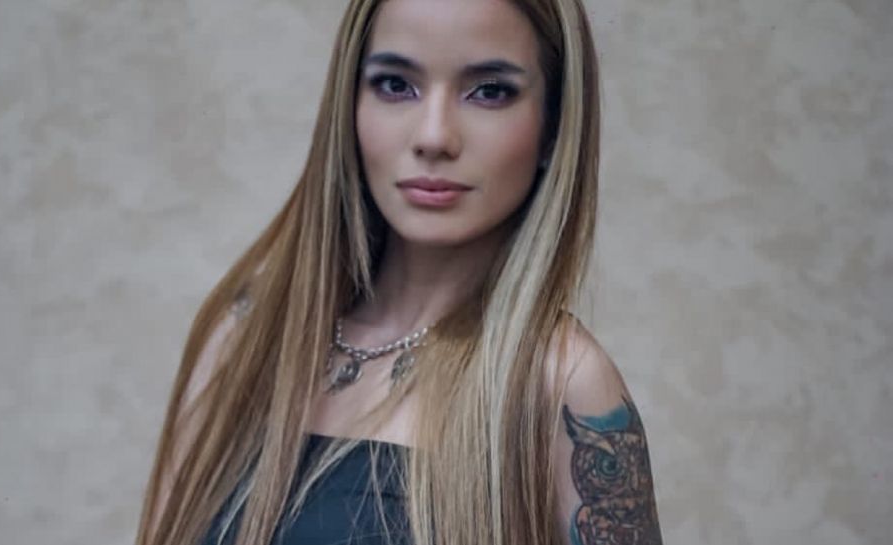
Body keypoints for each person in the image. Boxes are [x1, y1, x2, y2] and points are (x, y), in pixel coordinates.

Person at [135, 0, 663, 544]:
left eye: (489, 91)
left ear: (553, 126)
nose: (433, 136)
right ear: (350, 107)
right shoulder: (243, 337)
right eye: (395, 85)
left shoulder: (562, 384)